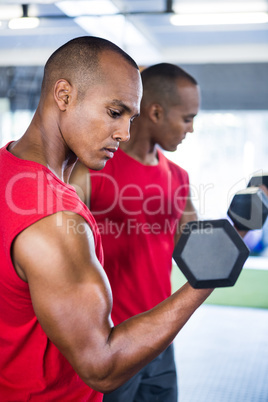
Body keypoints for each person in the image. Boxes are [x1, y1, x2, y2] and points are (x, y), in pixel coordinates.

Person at [0, 37, 214, 401]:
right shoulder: (53, 218)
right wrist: (205, 281)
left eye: (130, 117)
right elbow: (103, 365)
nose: (124, 133)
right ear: (64, 96)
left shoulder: (10, 171)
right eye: (114, 112)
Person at [69, 63, 200, 401]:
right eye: (187, 118)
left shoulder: (178, 177)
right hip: (109, 343)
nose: (191, 129)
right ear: (155, 112)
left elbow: (200, 252)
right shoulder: (92, 169)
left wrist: (244, 219)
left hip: (160, 338)